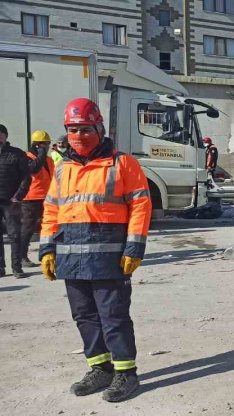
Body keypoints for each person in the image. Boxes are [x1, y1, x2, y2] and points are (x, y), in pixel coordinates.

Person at [40, 98, 152, 402]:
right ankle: (99, 368)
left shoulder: (122, 163)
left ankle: (126, 373)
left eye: (85, 128)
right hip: (70, 257)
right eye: (73, 129)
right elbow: (51, 210)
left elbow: (141, 206)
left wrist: (134, 247)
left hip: (109, 257)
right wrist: (47, 249)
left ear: (99, 128)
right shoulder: (62, 170)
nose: (79, 135)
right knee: (84, 316)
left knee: (113, 316)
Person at [0, 123, 32, 278]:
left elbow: (26, 177)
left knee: (14, 235)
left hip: (10, 202)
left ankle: (17, 267)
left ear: (6, 136)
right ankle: (1, 268)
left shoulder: (17, 154)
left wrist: (18, 196)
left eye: (1, 134)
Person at [20, 130, 55, 269]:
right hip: (30, 198)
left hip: (47, 198)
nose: (47, 147)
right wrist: (40, 154)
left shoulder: (49, 160)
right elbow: (34, 170)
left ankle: (49, 254)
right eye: (44, 144)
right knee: (27, 229)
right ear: (36, 145)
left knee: (49, 228)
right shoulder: (27, 158)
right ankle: (22, 257)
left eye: (48, 144)